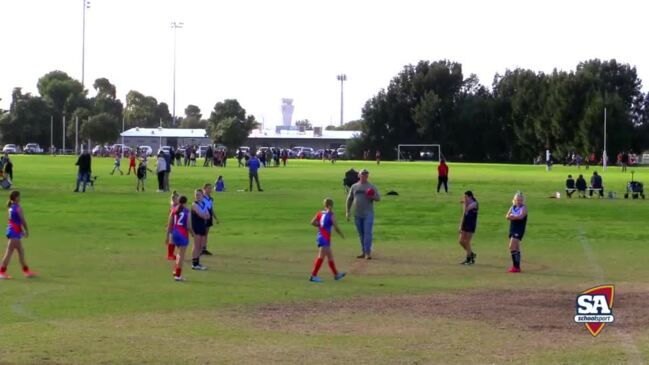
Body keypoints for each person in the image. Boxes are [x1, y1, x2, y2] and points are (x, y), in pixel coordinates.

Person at [309, 198, 346, 283]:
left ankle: (336, 275)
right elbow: (335, 226)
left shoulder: (320, 213)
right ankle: (313, 276)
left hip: (321, 237)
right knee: (321, 257)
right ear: (331, 205)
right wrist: (341, 234)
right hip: (324, 238)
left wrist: (320, 225)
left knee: (330, 256)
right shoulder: (331, 215)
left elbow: (312, 222)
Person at [0, 191, 36, 279]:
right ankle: (2, 272)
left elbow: (15, 221)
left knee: (20, 252)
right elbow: (22, 220)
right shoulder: (18, 208)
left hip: (13, 231)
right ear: (16, 198)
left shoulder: (11, 207)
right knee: (9, 253)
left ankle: (26, 271)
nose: (20, 198)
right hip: (14, 233)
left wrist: (21, 231)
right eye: (19, 196)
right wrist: (26, 230)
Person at [345, 168, 380, 259]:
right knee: (361, 234)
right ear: (359, 175)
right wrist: (347, 211)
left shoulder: (371, 186)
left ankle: (368, 252)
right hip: (357, 214)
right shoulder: (354, 187)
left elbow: (378, 198)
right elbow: (349, 199)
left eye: (366, 174)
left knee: (367, 233)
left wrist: (372, 196)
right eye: (363, 174)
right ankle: (364, 251)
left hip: (368, 213)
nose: (365, 176)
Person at [167, 195, 192, 281]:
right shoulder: (187, 211)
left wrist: (168, 236)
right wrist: (193, 234)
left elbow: (169, 224)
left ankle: (175, 270)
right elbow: (188, 226)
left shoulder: (174, 209)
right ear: (186, 202)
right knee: (182, 255)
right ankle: (178, 275)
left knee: (178, 253)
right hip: (182, 234)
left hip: (174, 233)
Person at [505, 192, 528, 273]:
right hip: (512, 228)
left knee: (511, 246)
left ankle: (515, 266)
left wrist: (513, 217)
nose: (519, 201)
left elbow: (521, 217)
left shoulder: (524, 208)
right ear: (514, 200)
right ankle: (517, 267)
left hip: (519, 229)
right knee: (516, 248)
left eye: (520, 200)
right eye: (517, 200)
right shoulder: (513, 207)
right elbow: (507, 216)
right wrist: (510, 217)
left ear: (523, 200)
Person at [190, 189, 210, 270]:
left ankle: (197, 262)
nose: (197, 196)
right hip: (196, 226)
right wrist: (204, 215)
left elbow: (208, 215)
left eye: (199, 195)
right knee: (196, 245)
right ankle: (194, 264)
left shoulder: (204, 203)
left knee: (201, 246)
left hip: (202, 225)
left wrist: (205, 215)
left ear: (202, 195)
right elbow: (201, 214)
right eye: (196, 195)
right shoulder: (194, 204)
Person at [458, 191, 478, 265]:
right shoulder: (467, 202)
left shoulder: (474, 203)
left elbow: (466, 209)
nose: (464, 198)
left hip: (471, 224)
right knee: (461, 241)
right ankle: (471, 254)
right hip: (465, 223)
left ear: (470, 197)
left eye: (466, 197)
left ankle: (469, 259)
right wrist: (460, 225)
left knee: (466, 242)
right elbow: (463, 215)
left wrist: (464, 203)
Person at [202, 183, 218, 256]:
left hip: (209, 217)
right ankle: (200, 248)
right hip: (203, 217)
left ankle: (204, 248)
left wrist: (215, 218)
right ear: (204, 189)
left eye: (210, 188)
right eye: (208, 188)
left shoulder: (211, 199)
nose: (209, 190)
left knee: (206, 233)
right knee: (202, 233)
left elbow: (211, 209)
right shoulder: (201, 198)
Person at [166, 191, 180, 260]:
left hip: (176, 225)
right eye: (177, 199)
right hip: (173, 225)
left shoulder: (174, 206)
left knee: (174, 240)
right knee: (171, 240)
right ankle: (169, 255)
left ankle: (172, 254)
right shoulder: (174, 206)